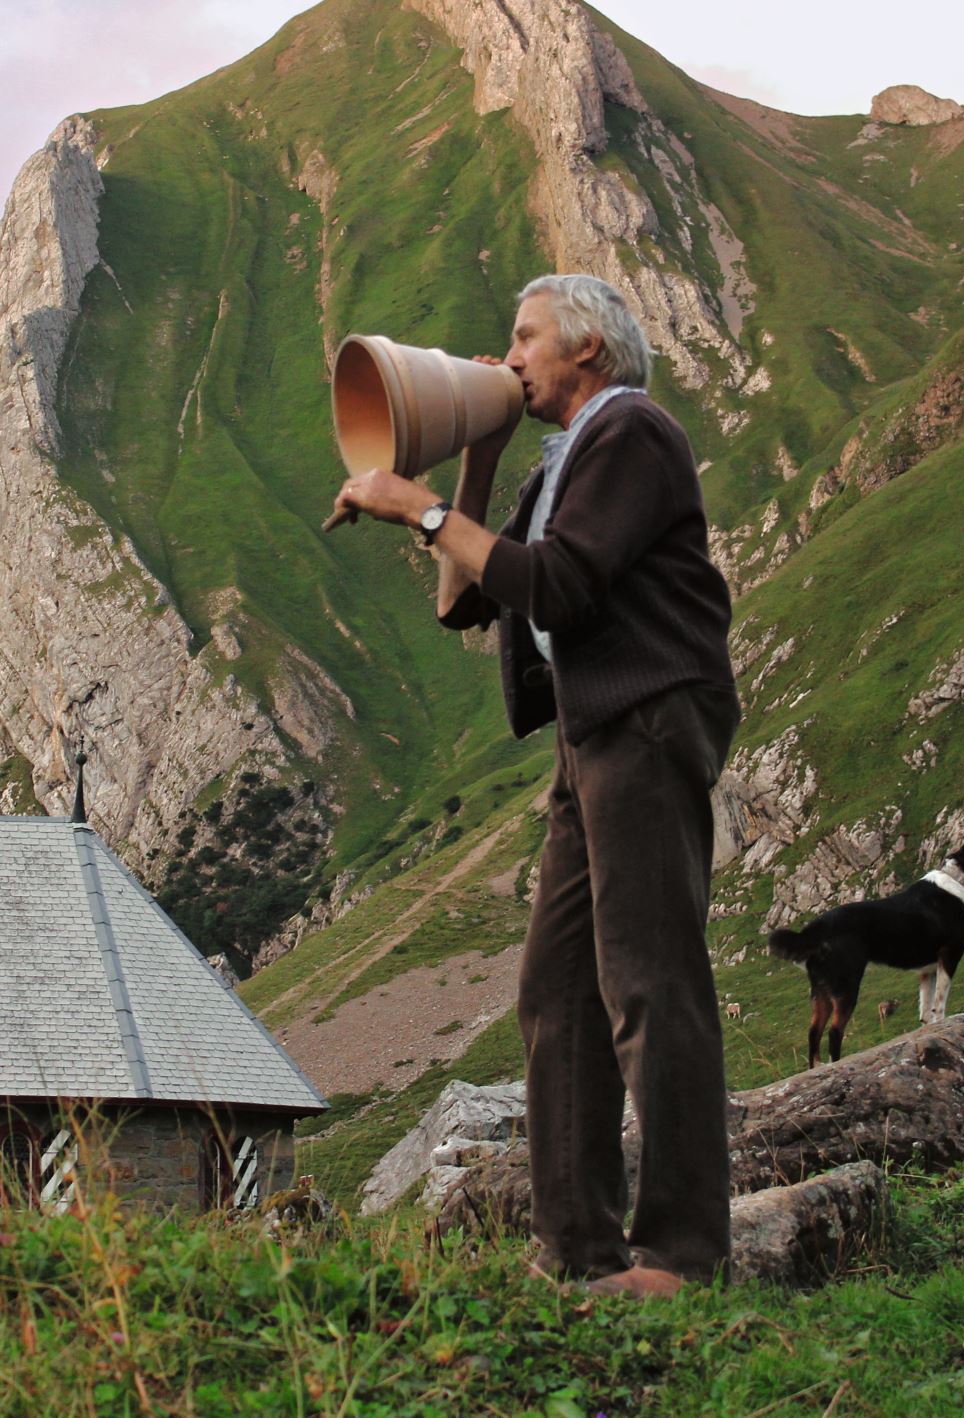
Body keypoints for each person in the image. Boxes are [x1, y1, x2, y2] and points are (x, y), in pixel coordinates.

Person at [331, 274, 740, 1297]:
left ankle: (682, 1255)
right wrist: (476, 454)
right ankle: (575, 1250)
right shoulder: (564, 458)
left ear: (588, 347)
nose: (508, 356)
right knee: (557, 993)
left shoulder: (630, 431)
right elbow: (461, 601)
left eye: (525, 338)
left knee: (650, 978)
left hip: (647, 717)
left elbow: (556, 585)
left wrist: (417, 504)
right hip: (593, 732)